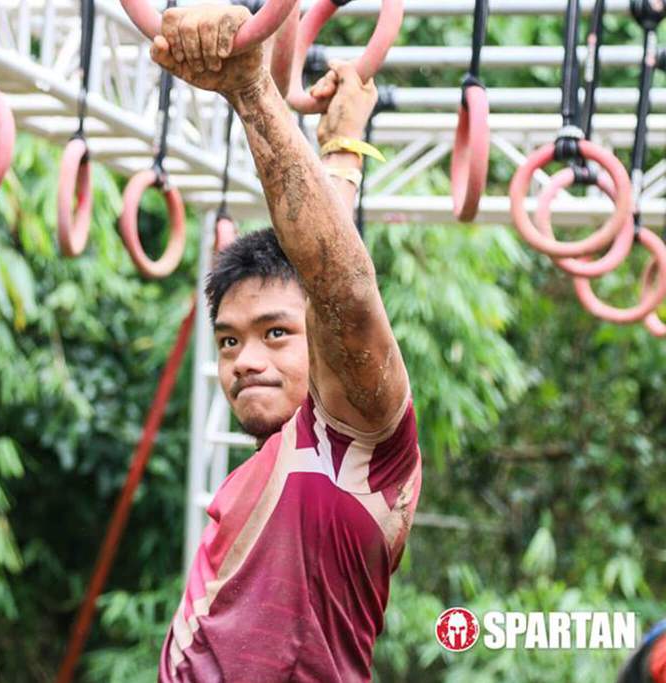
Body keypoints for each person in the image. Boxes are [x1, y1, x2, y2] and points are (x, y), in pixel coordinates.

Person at [150, 6, 421, 682]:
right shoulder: (264, 471)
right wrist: (342, 148)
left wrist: (251, 91)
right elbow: (322, 258)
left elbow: (339, 285)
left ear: (319, 342)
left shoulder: (357, 443)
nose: (245, 360)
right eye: (228, 341)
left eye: (275, 333)